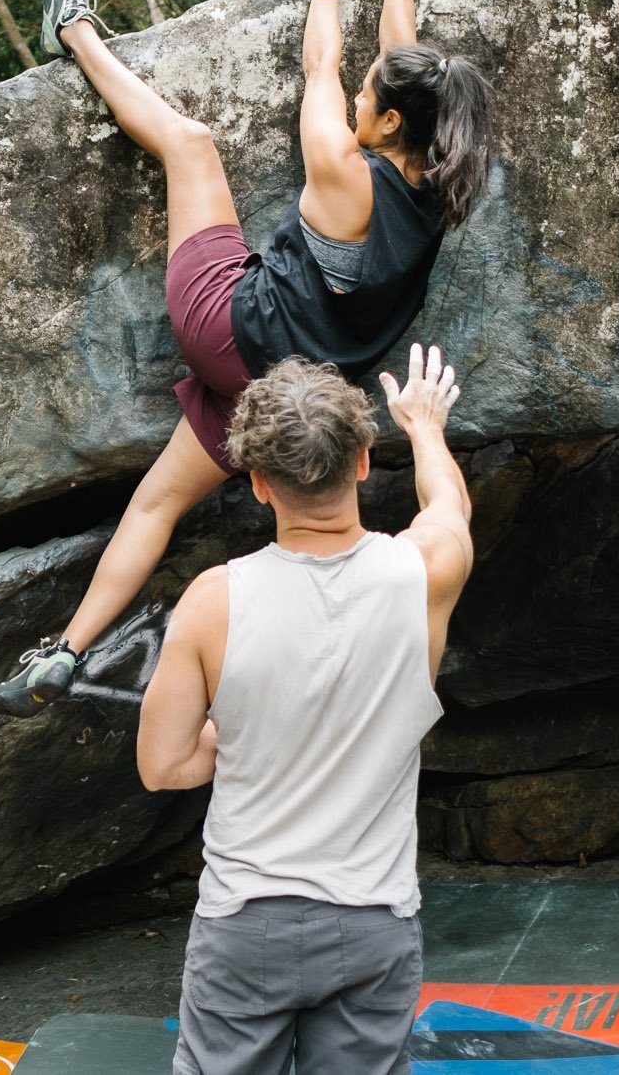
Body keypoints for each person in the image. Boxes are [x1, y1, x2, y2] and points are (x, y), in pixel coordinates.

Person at [0, 0, 493, 715]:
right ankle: (61, 651)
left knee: (190, 145)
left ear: (390, 122)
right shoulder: (443, 183)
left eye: (374, 98)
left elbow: (322, 66)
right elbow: (401, 58)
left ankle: (73, 31)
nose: (362, 95)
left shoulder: (340, 169)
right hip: (289, 395)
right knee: (156, 500)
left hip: (227, 328)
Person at [137, 344, 473, 1075]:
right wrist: (422, 425)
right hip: (372, 924)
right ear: (360, 462)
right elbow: (449, 508)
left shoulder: (212, 603)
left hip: (245, 924)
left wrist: (234, 735)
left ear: (258, 483)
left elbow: (163, 766)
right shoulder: (422, 575)